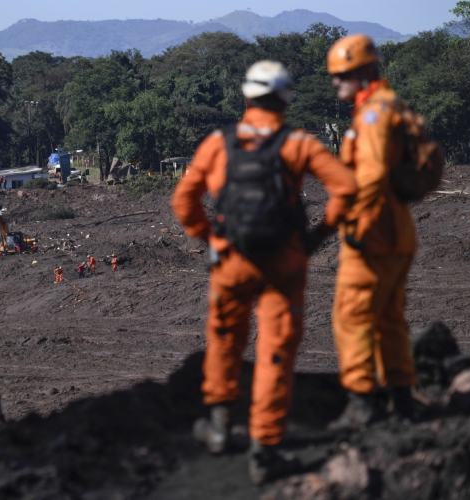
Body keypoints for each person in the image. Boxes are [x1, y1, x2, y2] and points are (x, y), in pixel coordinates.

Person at [172, 60, 357, 485]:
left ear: (247, 96)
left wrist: (211, 239)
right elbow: (346, 189)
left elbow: (184, 200)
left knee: (223, 340)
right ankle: (266, 448)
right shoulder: (297, 142)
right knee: (275, 351)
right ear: (286, 97)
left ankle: (219, 427)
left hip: (231, 262)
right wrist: (318, 236)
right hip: (285, 263)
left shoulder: (220, 142)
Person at [326, 34, 418, 430]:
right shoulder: (386, 106)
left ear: (364, 72)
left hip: (374, 235)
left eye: (342, 74)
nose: (335, 82)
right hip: (397, 229)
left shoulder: (372, 115)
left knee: (352, 316)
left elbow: (373, 175)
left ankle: (362, 402)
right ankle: (402, 397)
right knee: (389, 319)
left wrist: (357, 228)